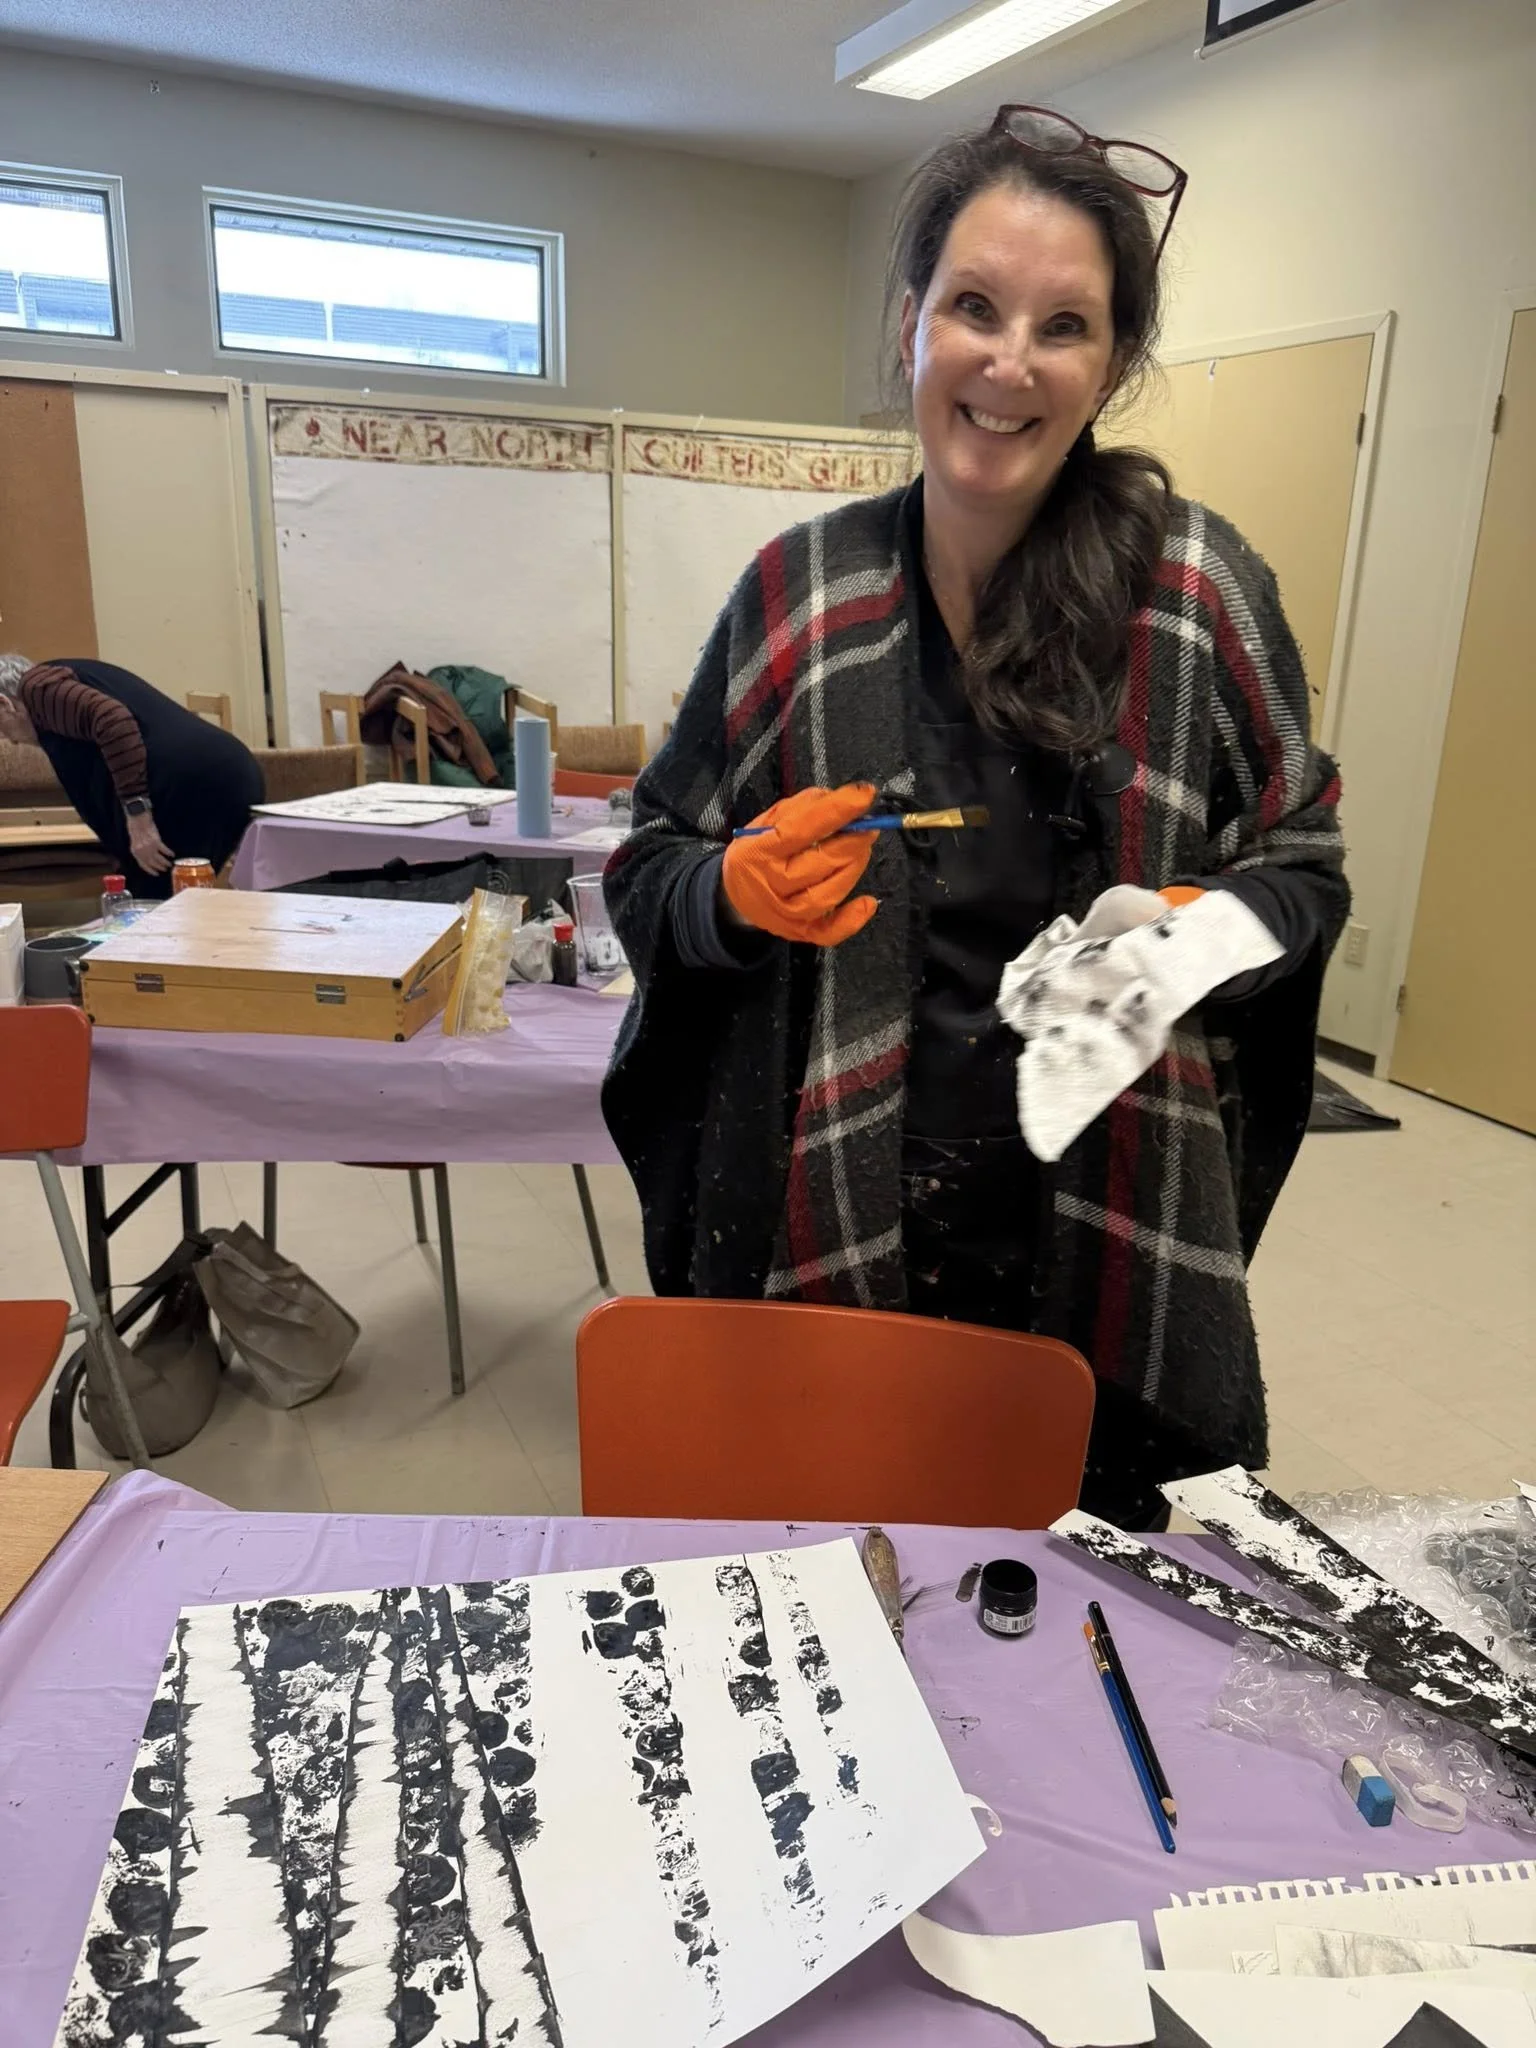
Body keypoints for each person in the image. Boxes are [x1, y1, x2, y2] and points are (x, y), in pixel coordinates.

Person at [602, 108, 1349, 1529]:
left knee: (1084, 1631)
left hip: (1111, 1219)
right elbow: (653, 862)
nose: (1009, 362)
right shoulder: (797, 594)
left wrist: (1204, 934)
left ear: (1111, 366)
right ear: (909, 326)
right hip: (835, 1207)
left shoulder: (1195, 594)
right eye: (974, 308)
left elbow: (1302, 866)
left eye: (1063, 326)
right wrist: (733, 897)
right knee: (844, 1587)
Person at [0, 654, 265, 897]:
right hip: (218, 777)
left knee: (157, 910)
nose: (8, 741)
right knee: (160, 904)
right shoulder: (59, 687)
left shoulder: (38, 689)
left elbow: (113, 719)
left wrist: (139, 819)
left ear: (4, 703)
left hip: (196, 786)